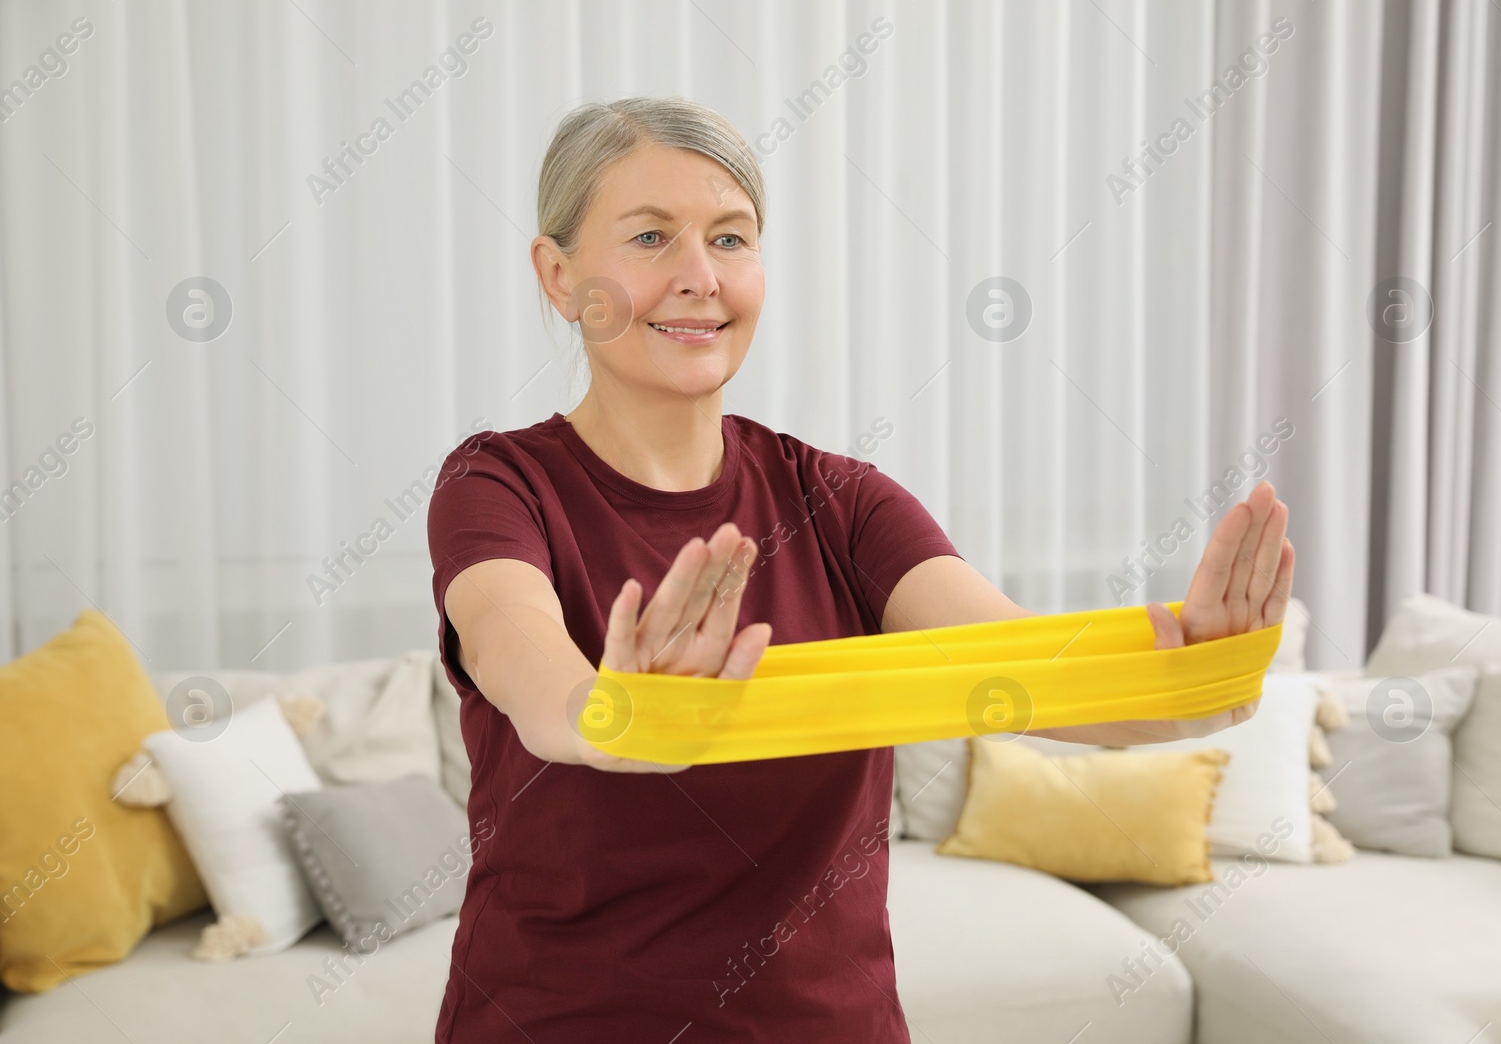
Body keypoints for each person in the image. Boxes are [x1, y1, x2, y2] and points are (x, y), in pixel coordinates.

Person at [426, 95, 1294, 1043]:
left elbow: (1024, 674)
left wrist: (1202, 677)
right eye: (649, 237)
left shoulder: (841, 502)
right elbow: (528, 667)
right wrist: (622, 715)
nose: (698, 277)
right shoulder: (498, 482)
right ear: (559, 275)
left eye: (730, 238)